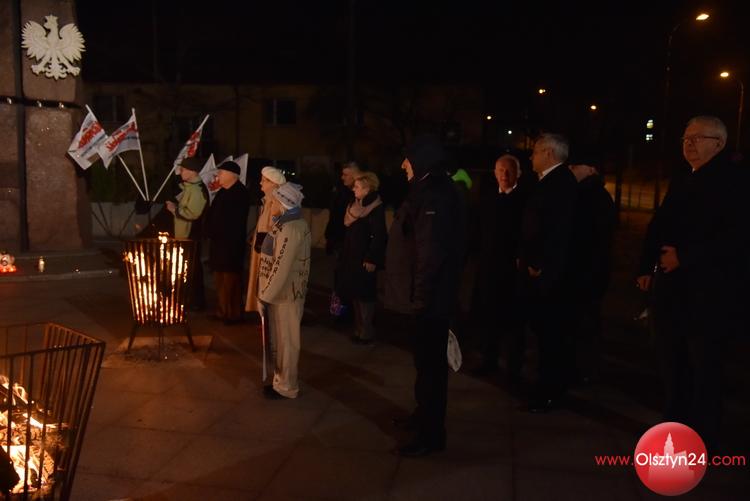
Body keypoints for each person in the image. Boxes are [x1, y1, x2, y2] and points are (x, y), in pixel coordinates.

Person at [636, 116, 747, 452]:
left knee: (704, 367)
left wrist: (684, 257)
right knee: (672, 360)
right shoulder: (684, 177)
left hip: (708, 293)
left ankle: (703, 435)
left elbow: (735, 238)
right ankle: (675, 423)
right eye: (686, 138)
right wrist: (646, 265)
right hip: (672, 289)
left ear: (719, 143)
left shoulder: (734, 182)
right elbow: (660, 224)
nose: (689, 144)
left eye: (699, 138)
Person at [384, 134, 465, 457]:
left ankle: (431, 436)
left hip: (431, 300)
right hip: (427, 297)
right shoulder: (428, 189)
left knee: (431, 369)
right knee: (424, 365)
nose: (404, 164)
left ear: (423, 160)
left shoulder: (435, 195)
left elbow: (430, 252)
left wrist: (420, 298)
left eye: (409, 158)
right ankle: (423, 417)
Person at [517, 133, 578, 413]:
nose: (531, 157)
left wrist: (539, 262)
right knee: (545, 334)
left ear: (549, 154)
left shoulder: (560, 184)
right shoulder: (550, 182)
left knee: (551, 336)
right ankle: (546, 386)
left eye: (536, 152)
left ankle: (549, 391)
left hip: (550, 276)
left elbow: (557, 230)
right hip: (544, 273)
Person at [472, 154, 528, 383]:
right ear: (494, 173)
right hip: (488, 269)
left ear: (517, 173)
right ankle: (489, 360)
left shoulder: (524, 201)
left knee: (514, 322)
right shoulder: (487, 199)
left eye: (509, 170)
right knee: (489, 317)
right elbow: (477, 231)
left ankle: (514, 369)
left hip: (513, 272)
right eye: (500, 170)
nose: (504, 174)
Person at [257, 182, 311, 399]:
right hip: (281, 293)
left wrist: (265, 296)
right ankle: (280, 381)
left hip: (287, 294)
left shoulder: (291, 228)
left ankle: (287, 386)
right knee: (280, 341)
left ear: (282, 203)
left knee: (287, 342)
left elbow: (281, 266)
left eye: (274, 201)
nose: (271, 205)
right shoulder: (286, 223)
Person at [567, 163, 616, 384]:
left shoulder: (594, 197)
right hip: (587, 271)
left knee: (585, 324)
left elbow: (595, 240)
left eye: (576, 166)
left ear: (590, 170)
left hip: (587, 273)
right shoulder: (585, 194)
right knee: (582, 323)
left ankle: (584, 371)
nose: (571, 169)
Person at [335, 171, 387, 345]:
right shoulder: (355, 205)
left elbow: (379, 235)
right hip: (351, 257)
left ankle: (366, 332)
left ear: (367, 189)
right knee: (355, 293)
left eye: (357, 186)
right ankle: (359, 329)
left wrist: (372, 258)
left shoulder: (376, 208)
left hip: (365, 259)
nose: (353, 189)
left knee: (365, 295)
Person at [204, 161, 250, 324]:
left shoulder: (240, 194)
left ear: (232, 175)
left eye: (221, 172)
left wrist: (216, 230)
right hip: (219, 244)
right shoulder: (222, 192)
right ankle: (222, 311)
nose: (218, 175)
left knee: (231, 281)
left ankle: (233, 314)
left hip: (231, 245)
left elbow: (233, 221)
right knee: (220, 280)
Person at [165, 156, 209, 310]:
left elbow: (192, 214)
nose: (180, 172)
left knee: (192, 269)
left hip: (190, 236)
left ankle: (196, 302)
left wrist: (174, 210)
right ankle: (189, 299)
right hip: (184, 235)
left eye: (183, 169)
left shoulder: (197, 190)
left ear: (192, 171)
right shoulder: (189, 188)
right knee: (187, 268)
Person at [245, 167, 286, 316]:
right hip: (262, 250)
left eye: (264, 180)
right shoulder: (267, 201)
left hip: (269, 253)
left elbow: (276, 228)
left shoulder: (277, 202)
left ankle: (270, 317)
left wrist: (264, 240)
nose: (260, 183)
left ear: (274, 183)